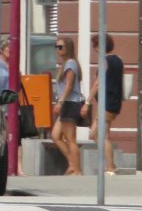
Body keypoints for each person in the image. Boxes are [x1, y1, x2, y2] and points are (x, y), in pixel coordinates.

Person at [87, 34, 125, 174]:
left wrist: (87, 102)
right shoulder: (118, 60)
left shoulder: (104, 61)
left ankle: (111, 167)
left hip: (106, 102)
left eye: (95, 46)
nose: (94, 49)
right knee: (96, 134)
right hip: (113, 101)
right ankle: (110, 165)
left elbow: (97, 84)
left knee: (101, 135)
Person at [50, 35, 84, 175]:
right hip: (68, 104)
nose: (58, 49)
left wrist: (60, 102)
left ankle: (77, 170)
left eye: (60, 47)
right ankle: (71, 163)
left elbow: (69, 85)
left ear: (68, 48)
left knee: (71, 139)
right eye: (56, 46)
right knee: (55, 136)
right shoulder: (67, 63)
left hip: (70, 104)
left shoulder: (70, 63)